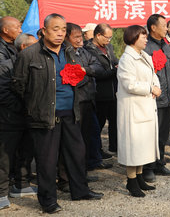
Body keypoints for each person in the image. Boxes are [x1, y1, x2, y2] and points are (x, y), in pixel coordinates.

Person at [13, 13, 103, 214]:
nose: (60, 33)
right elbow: (19, 85)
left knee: (77, 153)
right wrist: (34, 106)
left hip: (71, 112)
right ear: (44, 31)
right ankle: (48, 201)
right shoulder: (30, 54)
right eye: (55, 29)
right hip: (44, 116)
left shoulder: (70, 52)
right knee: (47, 160)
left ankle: (80, 191)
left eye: (63, 29)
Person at [116, 25, 159, 197]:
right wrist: (150, 88)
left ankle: (139, 177)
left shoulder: (145, 56)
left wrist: (156, 86)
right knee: (132, 146)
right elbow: (129, 84)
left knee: (142, 145)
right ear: (133, 37)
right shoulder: (127, 59)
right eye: (143, 36)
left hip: (146, 105)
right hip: (132, 108)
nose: (146, 39)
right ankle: (131, 181)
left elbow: (153, 74)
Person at [1, 19, 37, 208]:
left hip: (28, 115)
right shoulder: (6, 64)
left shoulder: (34, 64)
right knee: (5, 156)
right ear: (24, 47)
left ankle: (22, 185)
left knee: (26, 151)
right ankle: (1, 193)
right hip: (9, 117)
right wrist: (23, 106)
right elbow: (4, 92)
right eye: (34, 47)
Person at [65, 24, 110, 173]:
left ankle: (87, 167)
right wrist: (87, 74)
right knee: (77, 139)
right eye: (76, 37)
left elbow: (99, 67)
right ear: (67, 37)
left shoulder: (83, 51)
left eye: (80, 36)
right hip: (76, 101)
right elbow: (72, 77)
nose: (80, 40)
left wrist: (85, 70)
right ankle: (78, 172)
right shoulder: (65, 53)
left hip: (89, 99)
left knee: (90, 134)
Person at [142, 14, 170, 181]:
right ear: (153, 28)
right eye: (164, 25)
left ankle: (159, 163)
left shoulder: (166, 45)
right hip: (153, 98)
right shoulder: (146, 47)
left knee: (163, 133)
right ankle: (148, 167)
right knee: (151, 134)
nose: (167, 28)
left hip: (168, 97)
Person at [84, 23, 119, 157]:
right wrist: (114, 70)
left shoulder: (108, 47)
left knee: (115, 121)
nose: (108, 41)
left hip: (113, 91)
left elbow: (114, 61)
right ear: (98, 35)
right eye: (106, 37)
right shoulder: (88, 49)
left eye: (110, 38)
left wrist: (115, 67)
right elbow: (97, 72)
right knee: (98, 124)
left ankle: (114, 147)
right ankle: (96, 151)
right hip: (99, 93)